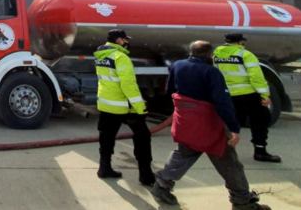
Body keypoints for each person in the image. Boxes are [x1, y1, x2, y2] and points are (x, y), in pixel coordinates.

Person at [152, 41, 269, 209]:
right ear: (209, 55)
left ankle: (161, 186)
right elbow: (222, 102)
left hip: (186, 120)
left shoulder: (177, 66)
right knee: (229, 162)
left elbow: (171, 90)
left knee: (184, 153)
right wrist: (234, 128)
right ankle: (242, 201)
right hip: (208, 123)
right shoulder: (211, 72)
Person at [93, 29, 154, 186]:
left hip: (106, 104)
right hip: (125, 107)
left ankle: (104, 168)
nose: (127, 42)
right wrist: (140, 107)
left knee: (106, 137)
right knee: (143, 138)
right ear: (119, 40)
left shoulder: (101, 56)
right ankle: (146, 176)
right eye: (125, 39)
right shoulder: (121, 57)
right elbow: (128, 85)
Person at [213, 33, 280, 163]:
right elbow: (256, 77)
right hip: (248, 95)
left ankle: (224, 152)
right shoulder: (246, 55)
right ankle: (260, 152)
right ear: (240, 42)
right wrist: (265, 95)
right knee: (260, 121)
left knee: (230, 123)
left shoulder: (217, 55)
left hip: (228, 95)